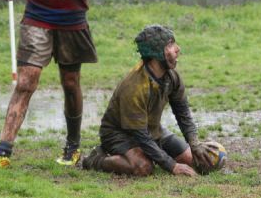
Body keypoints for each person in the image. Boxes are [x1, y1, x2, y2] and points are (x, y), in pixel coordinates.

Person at [0, 0, 104, 170]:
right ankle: (2, 152)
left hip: (72, 21)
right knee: (25, 82)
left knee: (70, 83)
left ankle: (73, 147)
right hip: (36, 18)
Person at [82, 25, 216, 177]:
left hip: (152, 130)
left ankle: (154, 154)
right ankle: (95, 160)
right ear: (157, 53)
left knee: (197, 161)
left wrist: (194, 143)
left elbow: (182, 112)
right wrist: (172, 166)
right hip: (119, 135)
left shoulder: (172, 76)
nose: (177, 48)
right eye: (171, 45)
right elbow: (141, 136)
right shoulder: (134, 86)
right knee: (143, 167)